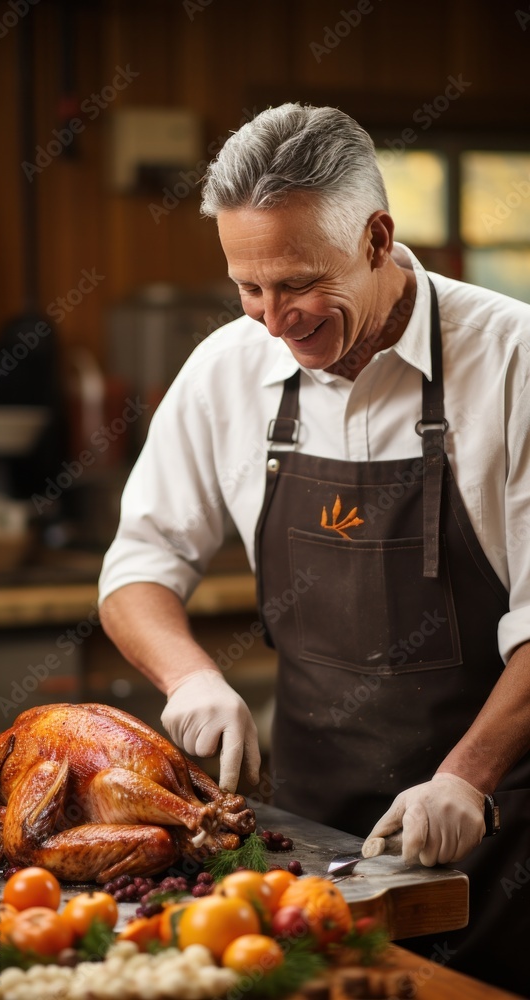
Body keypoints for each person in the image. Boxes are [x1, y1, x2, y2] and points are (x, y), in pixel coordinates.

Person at [98, 104, 530, 995]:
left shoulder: (514, 363)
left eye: (295, 283)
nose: (271, 320)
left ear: (377, 236)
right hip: (311, 844)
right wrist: (191, 678)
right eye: (247, 288)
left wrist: (467, 777)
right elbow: (137, 566)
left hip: (503, 839)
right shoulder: (228, 368)